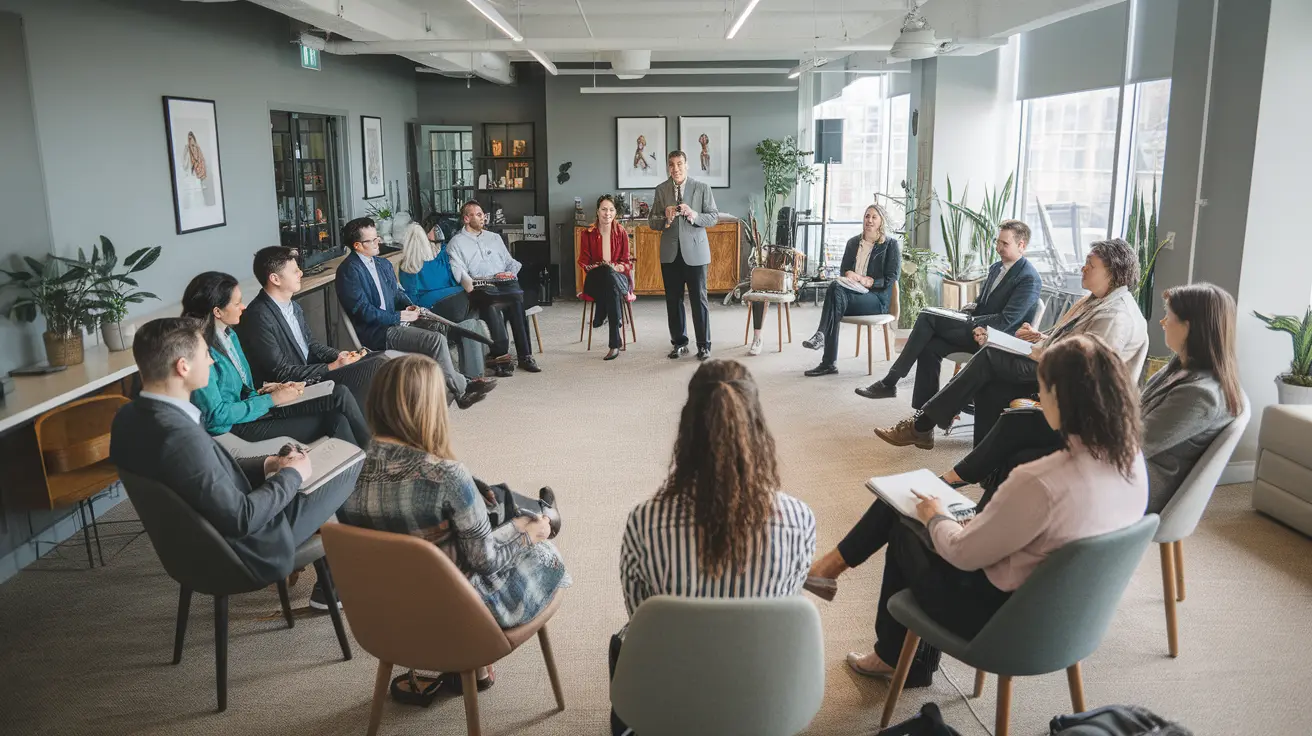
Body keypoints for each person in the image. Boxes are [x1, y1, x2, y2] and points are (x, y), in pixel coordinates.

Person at [834, 335, 1148, 686]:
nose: (1037, 399)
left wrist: (936, 516)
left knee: (905, 517)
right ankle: (834, 575)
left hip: (1001, 618)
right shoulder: (1132, 462)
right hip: (1075, 617)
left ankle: (894, 658)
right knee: (928, 515)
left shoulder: (1039, 481)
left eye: (1040, 390)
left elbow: (962, 554)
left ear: (1060, 397)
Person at [337, 354, 567, 693]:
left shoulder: (348, 471)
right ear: (428, 407)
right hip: (458, 619)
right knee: (546, 548)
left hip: (386, 617)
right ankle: (544, 517)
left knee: (464, 533)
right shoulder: (444, 474)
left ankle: (474, 673)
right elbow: (485, 561)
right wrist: (526, 532)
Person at [612, 359, 815, 735]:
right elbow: (784, 605)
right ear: (757, 427)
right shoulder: (799, 519)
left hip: (671, 704)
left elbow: (641, 620)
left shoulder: (644, 523)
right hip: (763, 702)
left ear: (686, 430)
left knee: (620, 644)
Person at [110, 317, 360, 610]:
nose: (212, 363)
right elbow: (242, 518)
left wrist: (269, 463)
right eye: (206, 355)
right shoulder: (182, 437)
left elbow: (200, 478)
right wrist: (290, 476)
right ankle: (341, 582)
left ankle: (334, 583)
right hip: (247, 551)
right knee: (348, 460)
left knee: (319, 468)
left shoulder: (127, 419)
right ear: (183, 367)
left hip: (188, 551)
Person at [944, 282, 1243, 514]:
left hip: (1131, 478)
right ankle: (979, 506)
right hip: (1117, 453)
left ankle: (976, 505)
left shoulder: (1202, 394)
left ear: (1190, 326)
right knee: (1019, 422)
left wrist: (1084, 418)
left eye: (1170, 317)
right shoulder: (1181, 368)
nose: (1163, 323)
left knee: (1022, 455)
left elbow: (1136, 443)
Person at [875, 238, 1148, 449]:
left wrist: (1037, 349)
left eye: (1090, 264)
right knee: (988, 375)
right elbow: (1075, 342)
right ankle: (974, 449)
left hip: (1073, 385)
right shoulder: (1095, 299)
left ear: (1112, 272)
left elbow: (1086, 367)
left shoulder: (1116, 315)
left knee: (990, 358)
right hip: (1051, 361)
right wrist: (1040, 337)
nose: (1083, 268)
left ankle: (922, 423)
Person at [856, 220, 1041, 403]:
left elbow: (1008, 320)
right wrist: (971, 308)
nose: (998, 247)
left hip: (995, 340)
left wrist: (976, 323)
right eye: (998, 242)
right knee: (928, 346)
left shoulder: (1028, 278)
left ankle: (890, 382)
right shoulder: (996, 268)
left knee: (927, 316)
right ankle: (922, 419)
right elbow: (983, 304)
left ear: (1021, 245)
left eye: (1004, 243)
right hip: (976, 328)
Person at [180, 271, 371, 447]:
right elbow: (216, 416)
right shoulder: (200, 353)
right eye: (237, 303)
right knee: (335, 419)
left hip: (256, 408)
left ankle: (374, 457)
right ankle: (372, 463)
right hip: (235, 426)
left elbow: (243, 387)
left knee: (339, 393)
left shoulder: (230, 335)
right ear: (217, 311)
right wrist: (271, 399)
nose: (243, 307)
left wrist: (269, 390)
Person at [334, 217, 495, 408]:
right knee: (434, 340)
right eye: (373, 240)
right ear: (358, 245)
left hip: (397, 322)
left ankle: (448, 390)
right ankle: (462, 389)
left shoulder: (382, 264)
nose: (379, 242)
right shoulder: (348, 271)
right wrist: (399, 316)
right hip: (378, 331)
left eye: (377, 238)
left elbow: (397, 294)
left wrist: (411, 306)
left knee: (439, 328)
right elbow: (364, 312)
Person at [237, 245, 386, 409]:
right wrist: (332, 366)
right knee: (372, 369)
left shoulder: (293, 306)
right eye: (295, 271)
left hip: (310, 374)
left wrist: (340, 355)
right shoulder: (258, 317)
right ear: (275, 279)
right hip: (290, 389)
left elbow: (311, 345)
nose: (301, 273)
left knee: (375, 359)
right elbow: (281, 372)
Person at [799, 204, 902, 376]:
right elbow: (844, 271)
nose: (869, 220)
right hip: (853, 293)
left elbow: (891, 278)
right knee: (835, 289)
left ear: (880, 221)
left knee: (834, 296)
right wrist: (850, 275)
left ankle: (826, 356)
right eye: (866, 216)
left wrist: (867, 281)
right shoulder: (853, 243)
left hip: (876, 299)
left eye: (874, 217)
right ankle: (826, 353)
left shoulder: (890, 245)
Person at [396, 217, 504, 379]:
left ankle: (476, 374)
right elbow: (457, 277)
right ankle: (496, 355)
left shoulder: (406, 267)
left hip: (432, 310)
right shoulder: (442, 256)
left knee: (470, 324)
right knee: (482, 300)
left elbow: (411, 298)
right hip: (451, 303)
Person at [445, 201, 541, 374]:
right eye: (478, 214)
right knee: (492, 303)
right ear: (466, 218)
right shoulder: (456, 243)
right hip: (480, 285)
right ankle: (499, 355)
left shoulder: (494, 238)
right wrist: (471, 283)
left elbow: (509, 262)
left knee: (517, 298)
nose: (483, 217)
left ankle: (525, 356)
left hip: (503, 282)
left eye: (483, 214)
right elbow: (458, 271)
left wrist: (510, 273)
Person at [650, 150, 719, 360]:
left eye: (679, 164)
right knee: (673, 300)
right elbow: (652, 222)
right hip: (670, 254)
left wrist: (695, 215)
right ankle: (679, 343)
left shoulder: (702, 188)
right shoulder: (661, 190)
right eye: (671, 164)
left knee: (699, 299)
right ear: (668, 167)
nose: (676, 168)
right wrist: (665, 218)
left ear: (687, 165)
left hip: (696, 253)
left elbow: (713, 217)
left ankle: (704, 345)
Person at [577, 194, 632, 360]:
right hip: (595, 280)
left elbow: (627, 262)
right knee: (607, 274)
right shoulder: (588, 233)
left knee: (611, 279)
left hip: (616, 278)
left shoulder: (621, 232)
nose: (607, 213)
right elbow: (583, 261)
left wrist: (616, 267)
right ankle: (615, 332)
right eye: (604, 209)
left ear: (615, 212)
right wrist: (594, 266)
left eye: (611, 209)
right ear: (597, 211)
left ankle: (613, 341)